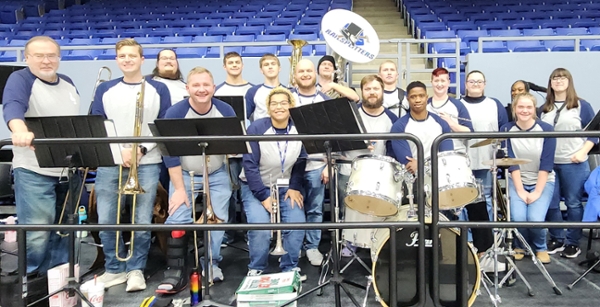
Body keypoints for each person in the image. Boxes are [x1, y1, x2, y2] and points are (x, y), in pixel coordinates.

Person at [90, 38, 171, 292]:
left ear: (142, 59)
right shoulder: (105, 89)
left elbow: (162, 126)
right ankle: (114, 269)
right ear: (117, 60)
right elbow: (98, 125)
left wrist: (141, 149)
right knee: (107, 219)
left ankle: (136, 269)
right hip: (111, 162)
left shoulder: (159, 89)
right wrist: (121, 150)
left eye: (132, 56)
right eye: (122, 56)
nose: (127, 59)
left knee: (141, 219)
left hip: (146, 162)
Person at [2, 36, 81, 275]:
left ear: (59, 57)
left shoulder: (68, 82)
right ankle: (31, 281)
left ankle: (58, 280)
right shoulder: (20, 79)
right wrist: (20, 130)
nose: (46, 61)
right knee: (37, 233)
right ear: (27, 58)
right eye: (39, 56)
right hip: (35, 171)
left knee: (65, 231)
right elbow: (13, 106)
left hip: (67, 171)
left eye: (51, 55)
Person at [156, 67, 235, 294]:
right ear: (187, 87)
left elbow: (234, 144)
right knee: (177, 217)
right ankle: (175, 269)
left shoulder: (225, 110)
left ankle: (212, 263)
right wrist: (179, 189)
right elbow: (169, 155)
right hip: (185, 174)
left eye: (206, 85)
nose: (202, 90)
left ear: (214, 87)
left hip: (217, 173)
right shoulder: (175, 112)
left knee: (218, 219)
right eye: (196, 85)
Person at [241, 86, 307, 279]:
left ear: (291, 106)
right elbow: (249, 165)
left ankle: (289, 266)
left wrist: (294, 187)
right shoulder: (256, 128)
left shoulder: (299, 128)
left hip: (286, 185)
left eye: (283, 103)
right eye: (274, 103)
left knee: (297, 223)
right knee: (260, 225)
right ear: (268, 108)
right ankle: (257, 266)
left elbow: (301, 160)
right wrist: (263, 196)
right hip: (256, 185)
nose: (279, 107)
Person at [337, 75, 398, 256]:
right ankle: (349, 241)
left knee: (377, 207)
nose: (372, 93)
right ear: (362, 92)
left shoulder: (391, 118)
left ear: (382, 91)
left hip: (379, 172)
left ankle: (377, 242)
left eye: (376, 89)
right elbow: (337, 142)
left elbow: (394, 148)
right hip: (350, 169)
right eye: (368, 89)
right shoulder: (350, 114)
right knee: (348, 207)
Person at [540, 68, 596, 259]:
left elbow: (595, 132)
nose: (559, 80)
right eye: (555, 77)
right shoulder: (544, 108)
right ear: (550, 82)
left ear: (569, 81)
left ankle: (572, 243)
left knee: (573, 203)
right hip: (550, 164)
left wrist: (583, 152)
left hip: (574, 163)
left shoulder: (582, 106)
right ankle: (556, 238)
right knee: (551, 203)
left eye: (563, 77)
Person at [501, 92, 556, 264]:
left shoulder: (546, 129)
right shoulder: (506, 129)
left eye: (528, 107)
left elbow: (546, 163)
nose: (524, 110)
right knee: (518, 217)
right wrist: (520, 190)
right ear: (514, 109)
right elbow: (511, 162)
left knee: (535, 218)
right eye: (521, 107)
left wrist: (537, 192)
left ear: (534, 109)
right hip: (517, 179)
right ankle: (519, 246)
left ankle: (540, 247)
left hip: (543, 180)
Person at [292, 59, 330, 266]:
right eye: (301, 71)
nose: (305, 74)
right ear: (295, 75)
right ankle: (294, 245)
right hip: (291, 166)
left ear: (315, 73)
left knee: (315, 209)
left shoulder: (324, 101)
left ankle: (312, 247)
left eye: (308, 70)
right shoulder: (287, 98)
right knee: (292, 208)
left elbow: (333, 137)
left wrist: (329, 165)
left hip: (317, 164)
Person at [214, 51, 253, 246]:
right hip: (226, 153)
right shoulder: (218, 92)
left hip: (248, 152)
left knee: (248, 192)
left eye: (237, 62)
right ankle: (228, 235)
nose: (234, 65)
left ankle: (248, 232)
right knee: (227, 194)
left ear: (242, 65)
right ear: (224, 66)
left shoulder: (252, 90)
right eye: (230, 62)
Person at [460, 70, 508, 221]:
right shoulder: (458, 104)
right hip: (463, 162)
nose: (475, 84)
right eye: (472, 81)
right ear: (466, 84)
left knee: (486, 198)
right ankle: (466, 239)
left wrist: (499, 157)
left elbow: (504, 130)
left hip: (487, 161)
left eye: (479, 81)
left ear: (485, 84)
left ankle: (486, 238)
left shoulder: (494, 104)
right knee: (462, 200)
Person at [390, 81, 453, 172]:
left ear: (427, 97)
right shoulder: (398, 127)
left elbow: (447, 156)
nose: (418, 100)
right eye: (413, 97)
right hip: (414, 180)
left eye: (421, 96)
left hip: (439, 175)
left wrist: (420, 164)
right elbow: (409, 164)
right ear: (407, 99)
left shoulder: (441, 123)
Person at [150, 49, 187, 193]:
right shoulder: (149, 83)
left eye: (172, 58)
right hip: (155, 145)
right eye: (164, 58)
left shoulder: (186, 86)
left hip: (181, 142)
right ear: (158, 63)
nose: (168, 61)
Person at [245, 53, 285, 122]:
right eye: (266, 65)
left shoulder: (288, 91)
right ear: (261, 70)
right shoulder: (252, 92)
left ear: (279, 68)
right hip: (260, 131)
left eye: (273, 64)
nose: (270, 67)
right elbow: (245, 117)